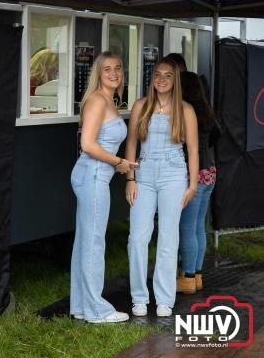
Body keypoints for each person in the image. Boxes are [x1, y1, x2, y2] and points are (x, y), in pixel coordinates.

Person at [125, 58, 198, 317]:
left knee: (168, 237)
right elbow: (131, 144)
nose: (162, 79)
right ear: (152, 78)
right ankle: (139, 298)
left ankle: (164, 299)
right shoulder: (140, 106)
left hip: (173, 174)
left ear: (174, 80)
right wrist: (130, 179)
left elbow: (193, 149)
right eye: (158, 74)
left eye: (168, 75)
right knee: (137, 238)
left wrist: (192, 184)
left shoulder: (185, 109)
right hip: (144, 173)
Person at [70, 51, 137, 323]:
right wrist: (119, 161)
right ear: (97, 73)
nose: (113, 73)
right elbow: (87, 144)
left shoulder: (109, 100)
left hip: (93, 174)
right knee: (94, 243)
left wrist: (119, 164)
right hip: (94, 174)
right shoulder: (98, 100)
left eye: (118, 68)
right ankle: (97, 311)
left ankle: (81, 306)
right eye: (107, 68)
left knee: (85, 242)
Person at [177, 71, 217, 294]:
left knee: (187, 227)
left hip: (195, 174)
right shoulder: (207, 112)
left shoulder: (186, 112)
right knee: (199, 226)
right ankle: (197, 275)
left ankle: (187, 278)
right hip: (210, 172)